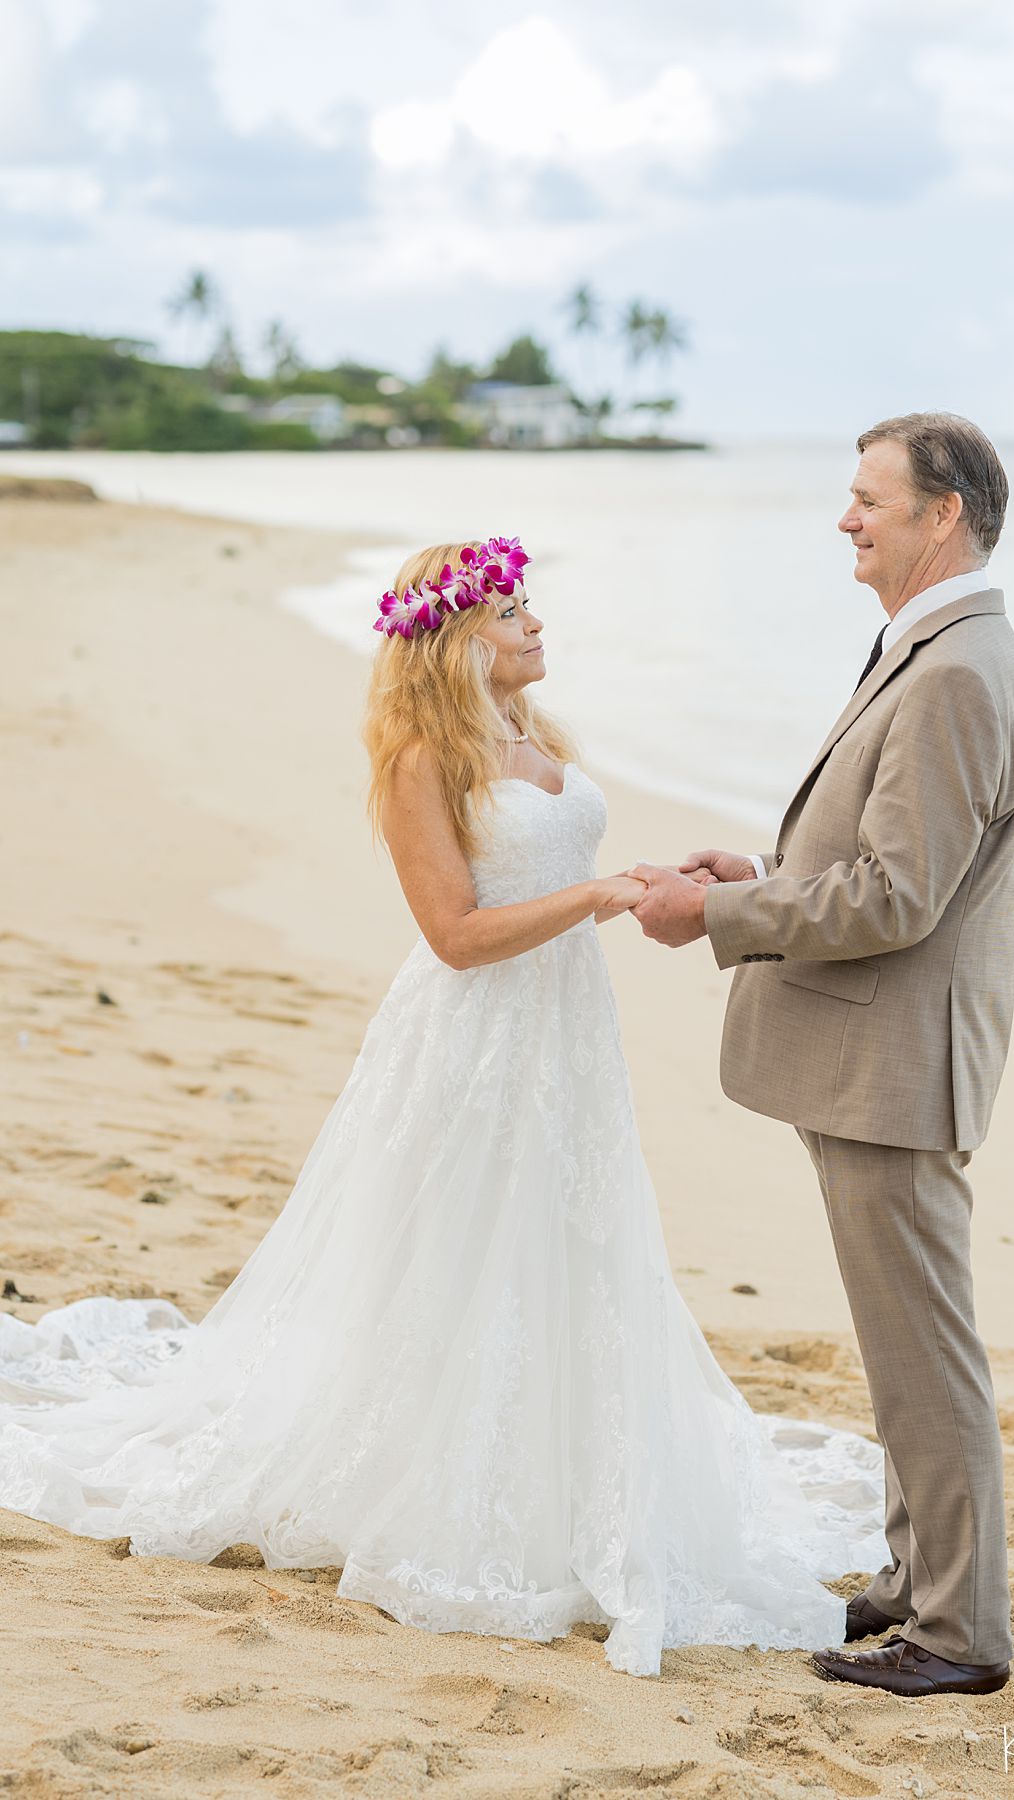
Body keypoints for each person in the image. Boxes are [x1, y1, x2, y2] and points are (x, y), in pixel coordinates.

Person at [0, 534, 885, 1680]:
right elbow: (458, 938)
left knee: (569, 1235)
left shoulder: (540, 737)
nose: (535, 627)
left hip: (567, 1026)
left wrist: (672, 880)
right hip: (474, 1034)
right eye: (512, 613)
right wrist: (599, 894)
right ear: (459, 638)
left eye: (529, 609)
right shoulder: (422, 757)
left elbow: (560, 877)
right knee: (453, 1246)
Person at [629, 414, 1014, 1697]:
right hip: (883, 1053)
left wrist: (722, 918)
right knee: (898, 1338)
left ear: (944, 516)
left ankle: (961, 1635)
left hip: (902, 1063)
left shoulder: (961, 667)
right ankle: (918, 1584)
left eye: (869, 498)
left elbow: (903, 898)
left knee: (923, 1348)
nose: (845, 517)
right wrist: (759, 872)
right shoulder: (937, 648)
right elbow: (882, 857)